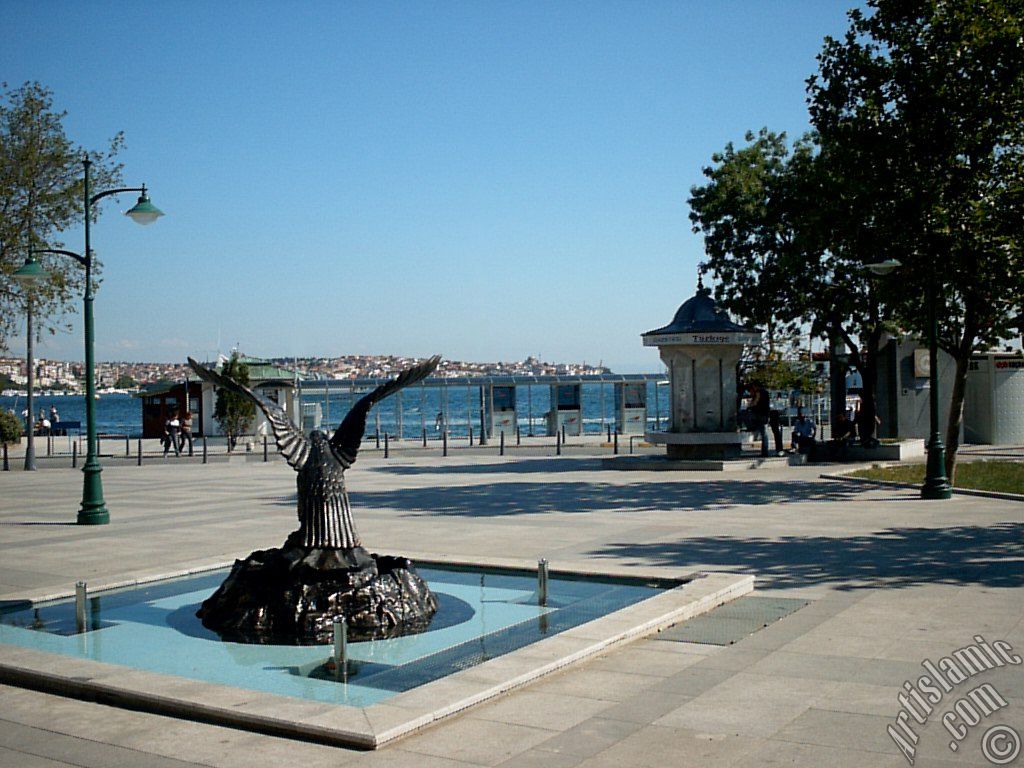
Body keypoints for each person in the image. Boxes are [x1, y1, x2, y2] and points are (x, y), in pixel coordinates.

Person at [749, 383, 771, 457]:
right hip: (765, 414)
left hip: (759, 414)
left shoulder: (758, 392)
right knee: (764, 433)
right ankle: (765, 451)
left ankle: (764, 451)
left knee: (763, 433)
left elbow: (755, 402)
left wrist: (750, 405)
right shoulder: (765, 392)